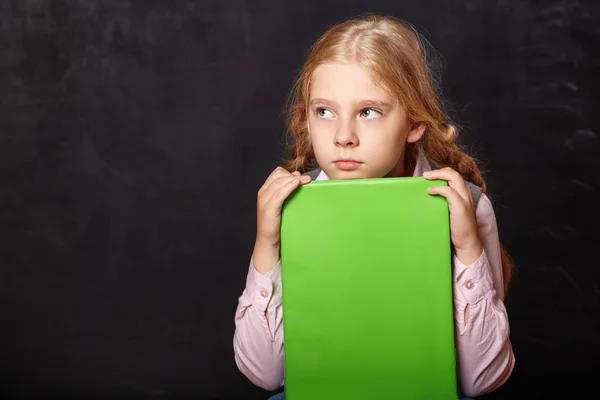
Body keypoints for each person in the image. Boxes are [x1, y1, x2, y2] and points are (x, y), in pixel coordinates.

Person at [233, 14, 515, 399]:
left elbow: (481, 381)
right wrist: (266, 244)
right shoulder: (290, 207)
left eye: (368, 112)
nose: (344, 137)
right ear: (305, 121)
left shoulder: (463, 206)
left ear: (414, 123)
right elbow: (266, 376)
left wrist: (467, 249)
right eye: (325, 112)